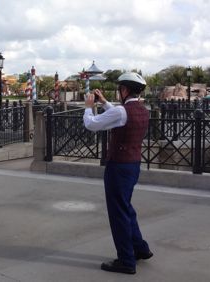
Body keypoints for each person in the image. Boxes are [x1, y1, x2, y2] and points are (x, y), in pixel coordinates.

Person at [83, 72, 154, 275]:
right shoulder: (142, 109)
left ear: (124, 90)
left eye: (119, 89)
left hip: (118, 167)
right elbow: (120, 116)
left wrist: (89, 107)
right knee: (126, 208)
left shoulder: (122, 112)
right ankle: (140, 248)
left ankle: (126, 260)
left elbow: (91, 124)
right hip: (133, 165)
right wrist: (105, 103)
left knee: (118, 214)